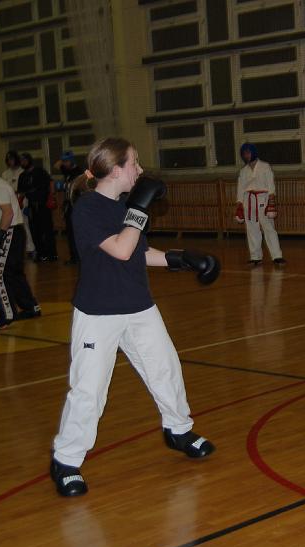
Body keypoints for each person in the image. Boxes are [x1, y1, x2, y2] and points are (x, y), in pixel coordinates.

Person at [49, 137, 219, 497]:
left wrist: (181, 258)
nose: (140, 170)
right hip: (99, 312)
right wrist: (140, 206)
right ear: (115, 170)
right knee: (89, 390)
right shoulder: (87, 209)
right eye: (134, 163)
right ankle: (66, 460)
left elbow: (139, 251)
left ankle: (178, 430)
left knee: (165, 369)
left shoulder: (124, 206)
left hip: (139, 305)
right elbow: (121, 249)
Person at [0, 155, 41, 331]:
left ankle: (6, 314)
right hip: (15, 232)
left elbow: (8, 213)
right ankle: (31, 307)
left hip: (10, 232)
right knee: (12, 273)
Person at [235, 143, 285, 266]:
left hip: (263, 199)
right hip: (248, 200)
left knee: (269, 228)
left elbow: (270, 185)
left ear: (253, 152)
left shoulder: (265, 166)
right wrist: (239, 204)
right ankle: (255, 256)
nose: (246, 155)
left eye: (248, 152)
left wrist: (271, 202)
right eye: (244, 154)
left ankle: (277, 256)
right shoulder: (243, 171)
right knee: (251, 229)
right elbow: (240, 188)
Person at [18, 152, 58, 262]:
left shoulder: (40, 171)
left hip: (43, 204)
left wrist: (51, 197)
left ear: (29, 160)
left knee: (47, 229)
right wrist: (19, 201)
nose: (23, 162)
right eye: (21, 161)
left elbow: (51, 182)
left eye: (25, 160)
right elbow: (21, 192)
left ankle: (52, 254)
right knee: (35, 231)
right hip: (31, 205)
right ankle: (41, 254)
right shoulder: (22, 176)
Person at [1, 150, 35, 258]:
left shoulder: (22, 172)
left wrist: (22, 201)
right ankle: (12, 249)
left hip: (21, 200)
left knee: (25, 224)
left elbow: (25, 189)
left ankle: (30, 248)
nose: (10, 161)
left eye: (12, 159)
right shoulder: (5, 174)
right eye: (8, 160)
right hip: (9, 202)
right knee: (10, 226)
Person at [53, 150, 84, 265]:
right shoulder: (67, 170)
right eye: (64, 161)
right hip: (69, 204)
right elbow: (56, 165)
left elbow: (84, 185)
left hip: (77, 204)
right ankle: (74, 257)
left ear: (72, 161)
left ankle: (79, 257)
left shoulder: (79, 171)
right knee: (70, 232)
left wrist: (67, 185)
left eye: (67, 161)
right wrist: (63, 159)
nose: (64, 164)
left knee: (77, 232)